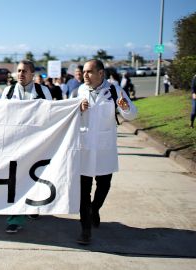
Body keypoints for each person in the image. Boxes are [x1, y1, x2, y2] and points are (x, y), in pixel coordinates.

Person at [76, 59, 137, 245]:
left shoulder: (114, 90)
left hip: (104, 148)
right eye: (84, 72)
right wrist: (78, 109)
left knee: (103, 186)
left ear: (101, 73)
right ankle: (85, 229)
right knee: (83, 191)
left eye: (89, 72)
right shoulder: (80, 90)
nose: (85, 75)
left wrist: (125, 108)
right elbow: (72, 116)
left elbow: (132, 113)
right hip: (85, 147)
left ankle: (95, 209)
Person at [1, 60, 52, 234]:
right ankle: (14, 218)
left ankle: (33, 207)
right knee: (15, 180)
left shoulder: (42, 91)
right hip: (14, 144)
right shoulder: (8, 91)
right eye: (19, 71)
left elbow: (51, 114)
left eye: (25, 71)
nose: (21, 74)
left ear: (32, 74)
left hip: (36, 144)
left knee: (34, 177)